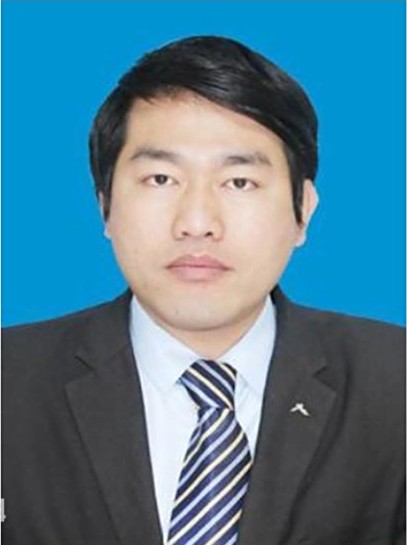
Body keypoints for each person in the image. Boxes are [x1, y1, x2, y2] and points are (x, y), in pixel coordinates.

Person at [2, 36, 405, 545]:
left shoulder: (396, 385)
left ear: (303, 211)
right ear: (105, 205)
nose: (197, 222)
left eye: (239, 182)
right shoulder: (9, 384)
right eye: (161, 179)